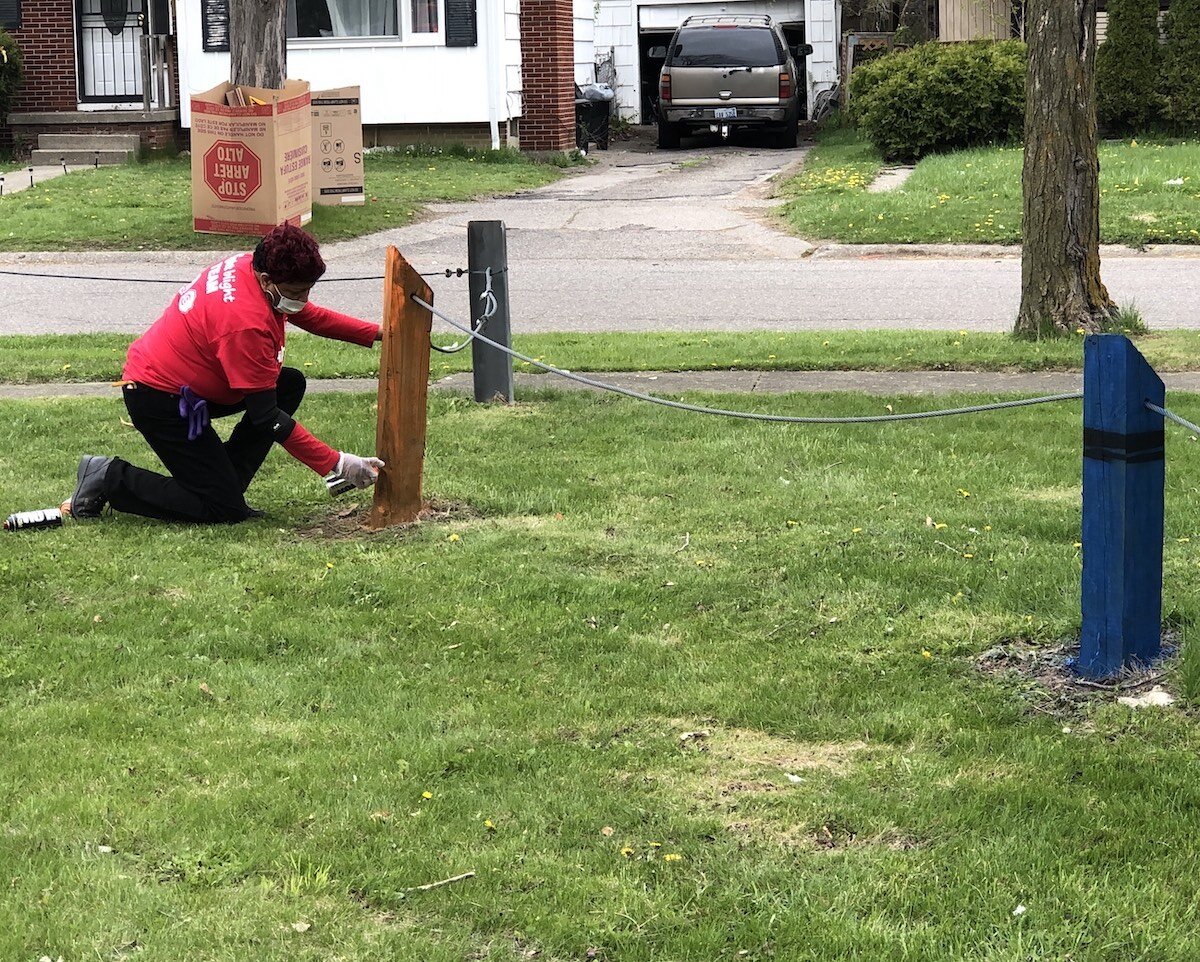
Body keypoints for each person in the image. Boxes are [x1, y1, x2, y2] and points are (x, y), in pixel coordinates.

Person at [66, 223, 385, 525]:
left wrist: (377, 333)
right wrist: (336, 463)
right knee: (220, 508)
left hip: (183, 383)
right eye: (296, 290)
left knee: (289, 384)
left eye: (308, 290)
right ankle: (108, 477)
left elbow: (305, 313)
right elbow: (267, 418)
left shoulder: (251, 264)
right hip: (156, 397)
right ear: (265, 279)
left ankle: (224, 484)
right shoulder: (246, 323)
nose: (302, 299)